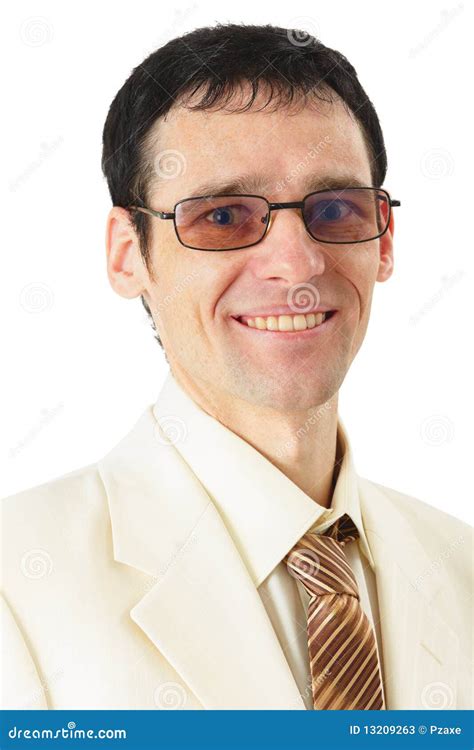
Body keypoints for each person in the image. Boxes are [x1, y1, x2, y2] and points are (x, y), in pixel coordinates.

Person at [1, 23, 471, 711]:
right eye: (222, 215)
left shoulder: (461, 567)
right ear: (127, 254)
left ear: (385, 238)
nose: (298, 263)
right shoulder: (16, 588)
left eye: (334, 209)